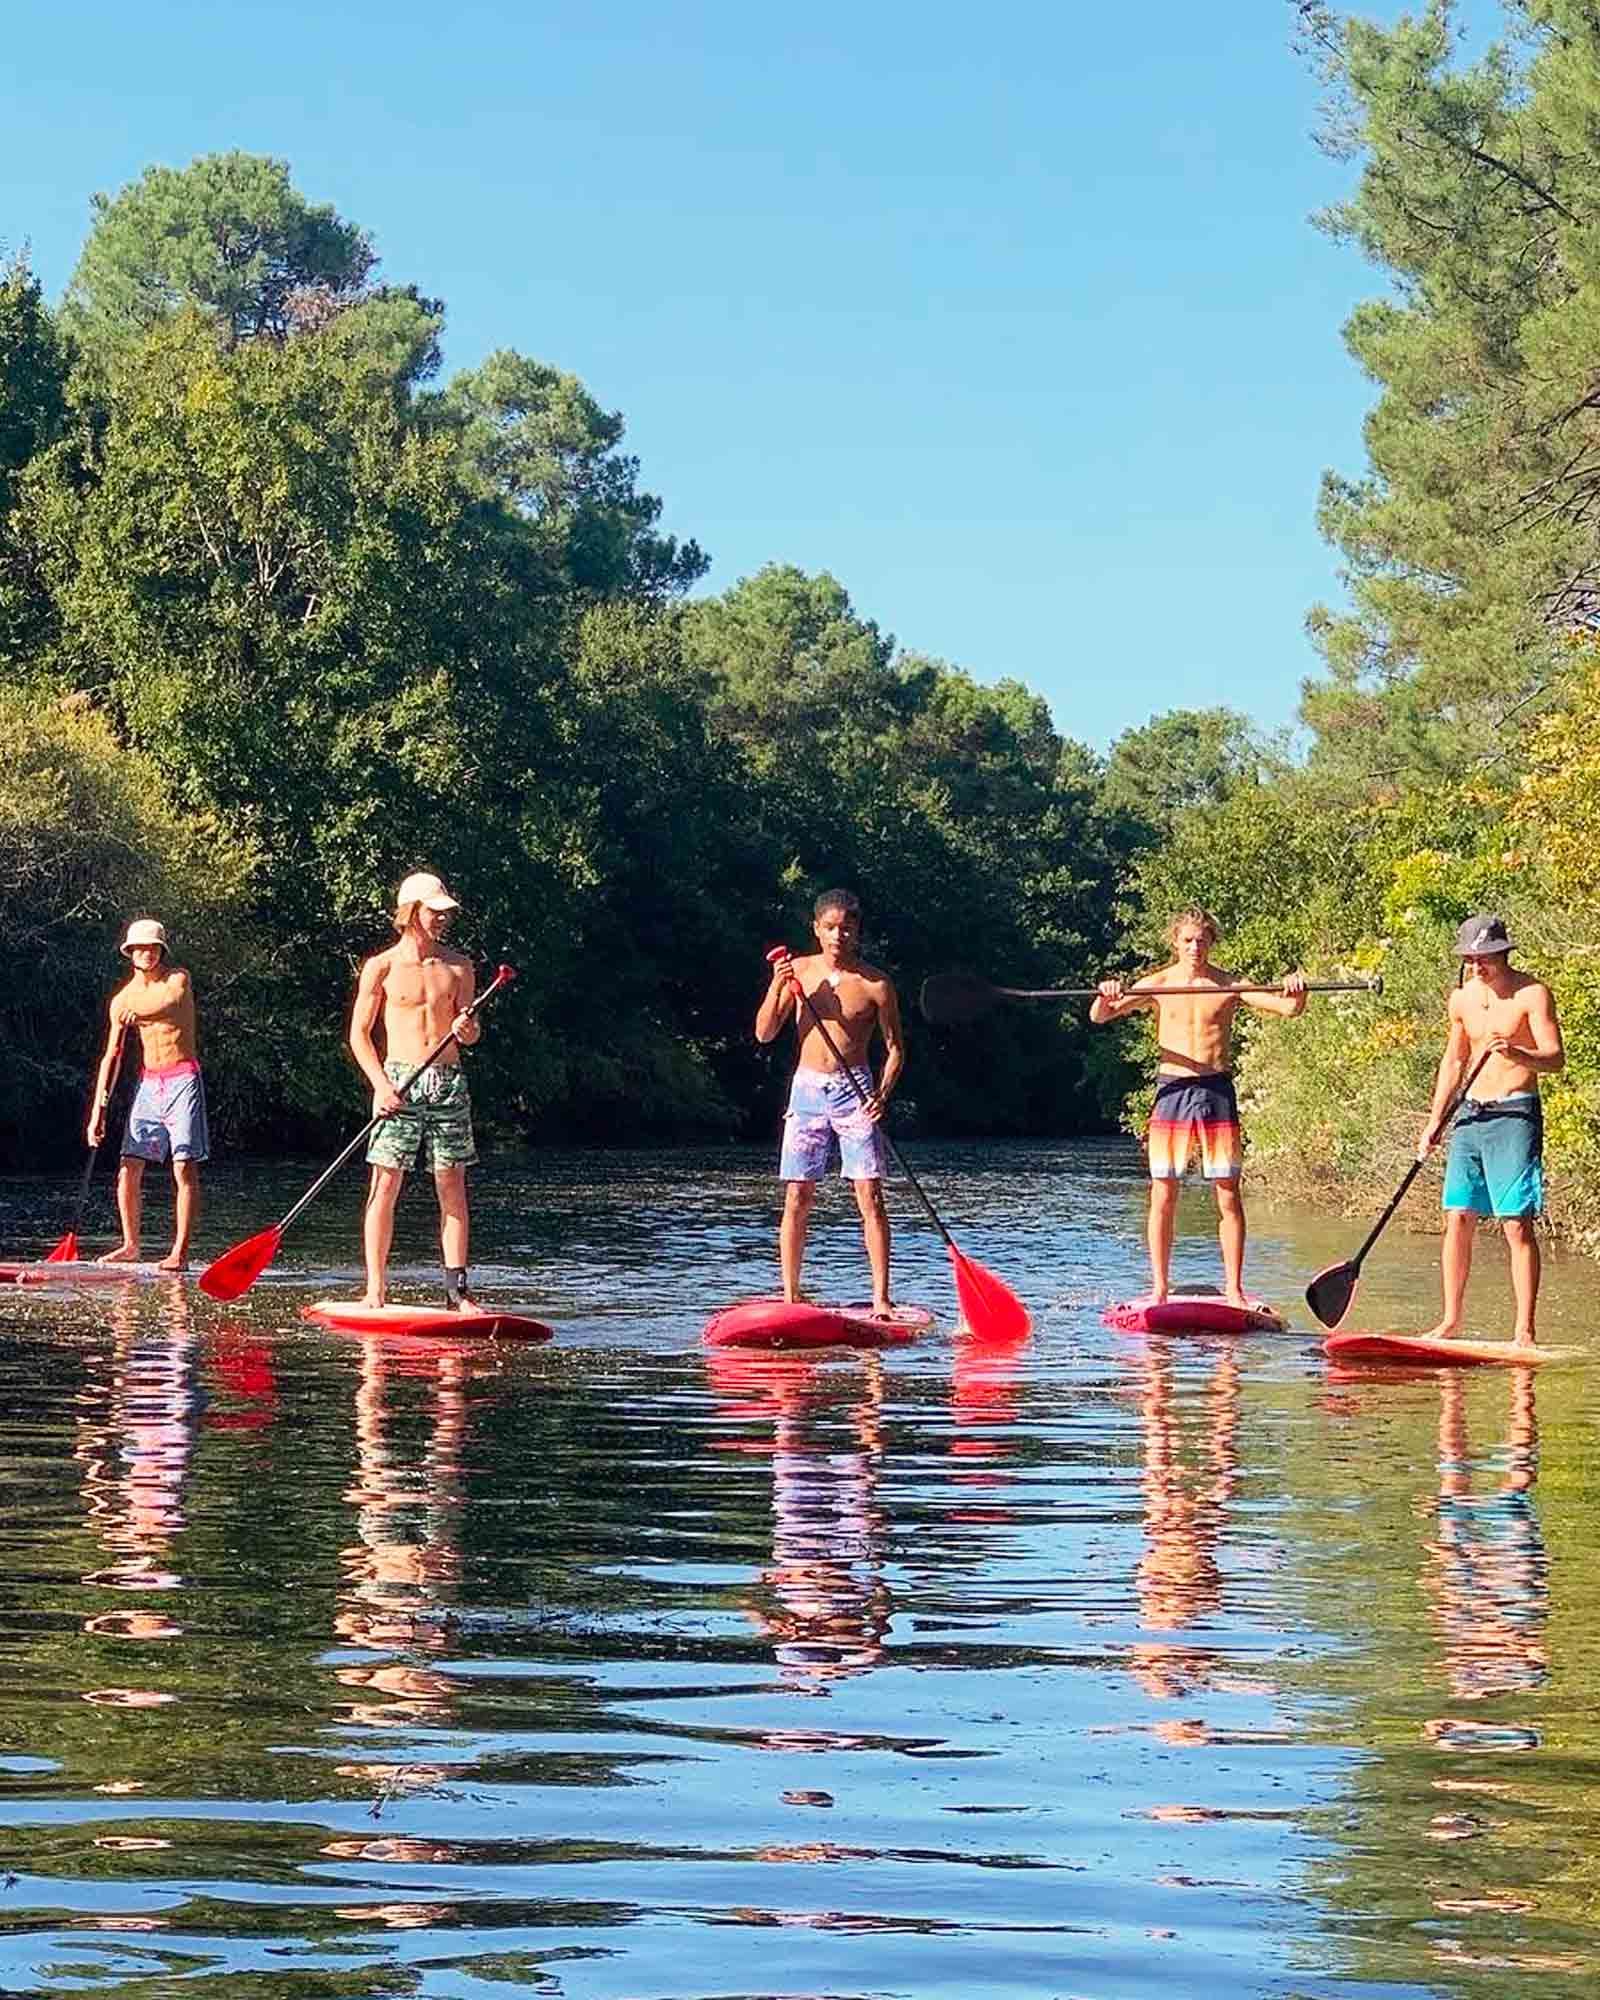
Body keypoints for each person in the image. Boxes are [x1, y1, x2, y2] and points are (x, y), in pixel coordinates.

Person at [1090, 908, 1306, 1309]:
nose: (1195, 947)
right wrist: (1107, 995)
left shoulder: (1228, 984)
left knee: (1228, 1194)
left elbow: (1288, 1010)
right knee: (1163, 1193)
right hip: (1172, 1091)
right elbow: (1100, 1016)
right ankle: (1158, 1288)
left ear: (1211, 942)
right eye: (1188, 940)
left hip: (1215, 1091)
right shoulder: (1158, 983)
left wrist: (1296, 991)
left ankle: (1235, 1290)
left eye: (1202, 940)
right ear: (1175, 942)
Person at [755, 889, 905, 1316]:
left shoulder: (875, 984)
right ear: (816, 930)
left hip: (855, 1090)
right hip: (807, 1089)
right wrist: (777, 986)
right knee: (797, 1194)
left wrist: (882, 1094)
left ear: (857, 931)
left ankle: (880, 1298)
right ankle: (790, 1294)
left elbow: (895, 1049)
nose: (839, 934)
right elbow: (764, 1033)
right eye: (830, 927)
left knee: (869, 1194)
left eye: (847, 927)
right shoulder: (797, 972)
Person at [1419, 915, 1563, 1346]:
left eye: (1485, 959)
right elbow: (1453, 1062)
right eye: (1470, 959)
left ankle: (1524, 1330)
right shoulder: (1461, 1000)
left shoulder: (1532, 994)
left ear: (1504, 953)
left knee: (1515, 1224)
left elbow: (1555, 1058)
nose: (1478, 967)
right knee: (1457, 1216)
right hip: (1470, 1116)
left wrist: (1520, 1053)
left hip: (1515, 1113)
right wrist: (1434, 1122)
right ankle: (1450, 1320)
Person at [348, 871, 481, 1310]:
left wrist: (467, 1029)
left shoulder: (460, 966)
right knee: (385, 1183)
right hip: (398, 1083)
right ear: (410, 913)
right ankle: (375, 1288)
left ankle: (456, 1293)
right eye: (434, 912)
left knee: (452, 1185)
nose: (442, 919)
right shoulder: (381, 967)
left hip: (447, 1082)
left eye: (446, 913)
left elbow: (471, 1033)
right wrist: (380, 1086)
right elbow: (359, 1035)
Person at [88, 918, 208, 1270]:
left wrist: (134, 1014)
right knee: (128, 1166)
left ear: (161, 951)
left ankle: (179, 1253)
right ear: (130, 952)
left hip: (182, 1079)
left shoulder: (178, 978)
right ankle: (131, 1245)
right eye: (139, 948)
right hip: (149, 1084)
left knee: (183, 1166)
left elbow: (168, 1005)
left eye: (153, 947)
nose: (146, 953)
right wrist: (99, 1110)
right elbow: (112, 1056)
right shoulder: (122, 999)